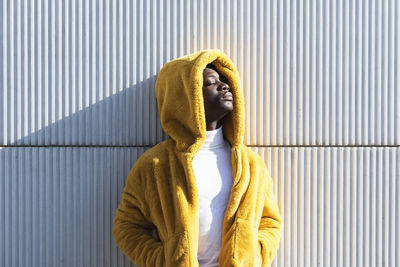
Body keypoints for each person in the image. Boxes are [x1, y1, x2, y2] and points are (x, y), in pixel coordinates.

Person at [113, 50, 282, 267]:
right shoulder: (156, 165)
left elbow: (270, 223)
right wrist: (162, 261)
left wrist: (254, 255)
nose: (224, 86)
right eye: (210, 83)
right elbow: (127, 226)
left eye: (224, 80)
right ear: (185, 97)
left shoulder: (250, 165)